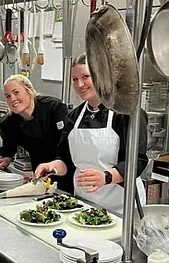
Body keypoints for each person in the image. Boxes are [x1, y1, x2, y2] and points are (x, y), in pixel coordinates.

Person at [34, 53, 148, 216]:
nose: (79, 84)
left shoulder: (127, 113)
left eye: (85, 76)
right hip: (84, 203)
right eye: (74, 79)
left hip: (121, 205)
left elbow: (137, 161)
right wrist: (51, 167)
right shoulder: (74, 117)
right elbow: (66, 160)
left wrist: (106, 177)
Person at [0, 74, 73, 193]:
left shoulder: (54, 109)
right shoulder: (9, 122)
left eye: (16, 92)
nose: (12, 99)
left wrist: (50, 170)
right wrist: (5, 160)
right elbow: (9, 150)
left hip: (66, 172)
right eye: (8, 96)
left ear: (29, 91)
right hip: (39, 176)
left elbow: (67, 148)